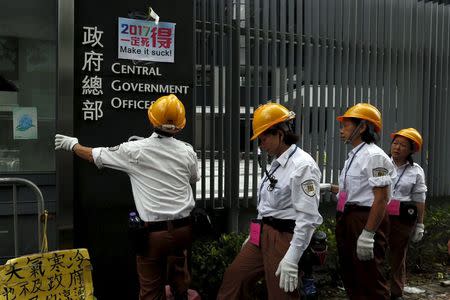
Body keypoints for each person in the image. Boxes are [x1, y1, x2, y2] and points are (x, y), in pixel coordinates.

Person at [55, 94, 199, 300]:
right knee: (179, 282)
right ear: (180, 126)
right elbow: (194, 177)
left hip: (154, 235)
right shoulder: (187, 151)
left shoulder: (134, 151)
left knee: (151, 291)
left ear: (152, 120)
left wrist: (73, 145)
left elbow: (95, 155)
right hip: (184, 230)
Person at [217, 102, 323, 299]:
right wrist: (253, 235)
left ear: (280, 134)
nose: (260, 144)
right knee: (235, 277)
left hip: (285, 237)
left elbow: (308, 218)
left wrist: (292, 258)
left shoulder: (302, 166)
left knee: (280, 293)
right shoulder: (277, 163)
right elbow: (266, 205)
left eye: (263, 137)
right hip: (263, 233)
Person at [331, 103, 396, 300]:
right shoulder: (355, 155)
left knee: (370, 277)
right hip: (350, 217)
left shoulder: (373, 156)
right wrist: (330, 188)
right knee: (352, 274)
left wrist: (368, 234)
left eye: (346, 125)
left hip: (365, 219)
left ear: (363, 127)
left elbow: (381, 197)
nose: (342, 130)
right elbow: (357, 191)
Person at [387, 128, 427, 300]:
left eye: (403, 145)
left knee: (398, 255)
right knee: (375, 253)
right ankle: (376, 290)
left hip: (402, 218)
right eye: (395, 143)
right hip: (379, 214)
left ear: (412, 150)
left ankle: (396, 292)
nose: (397, 147)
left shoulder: (416, 171)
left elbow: (419, 198)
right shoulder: (381, 164)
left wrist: (420, 224)